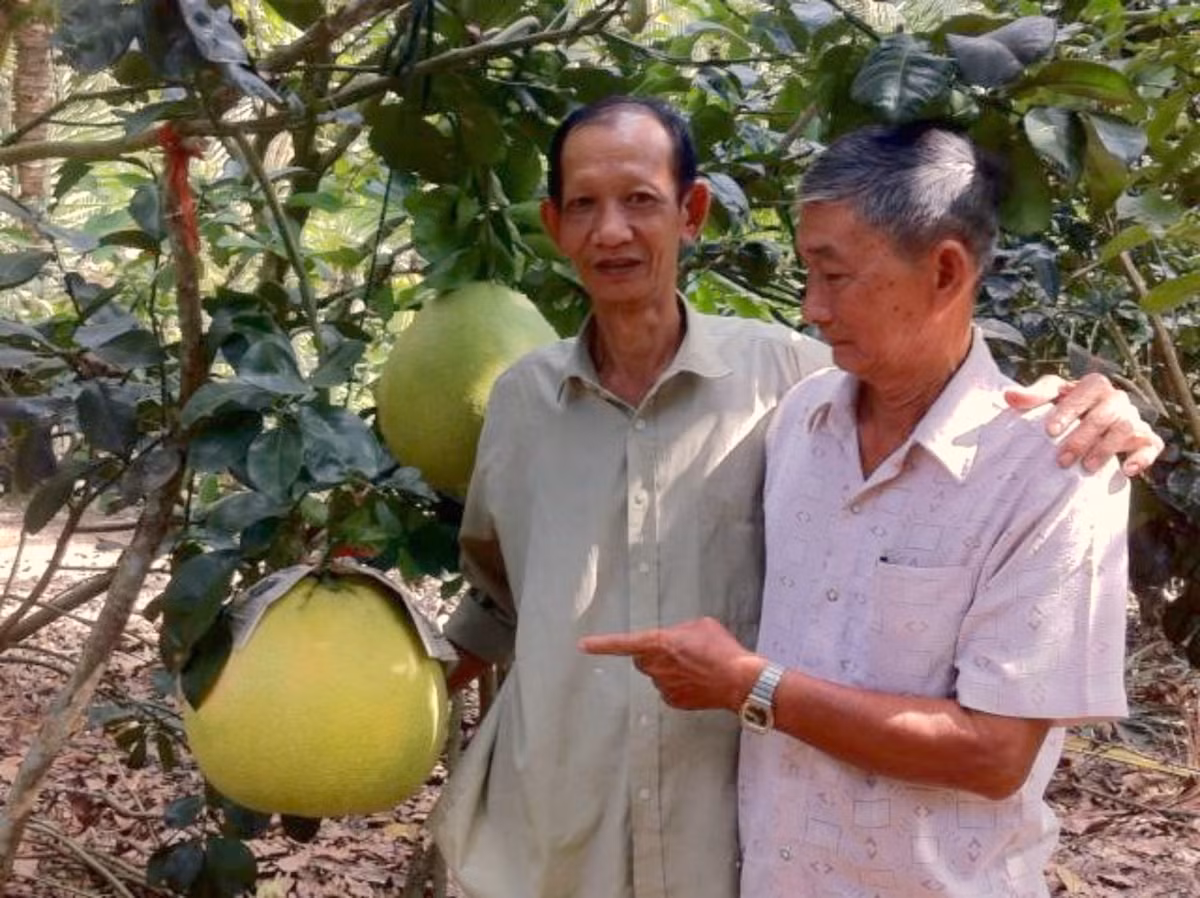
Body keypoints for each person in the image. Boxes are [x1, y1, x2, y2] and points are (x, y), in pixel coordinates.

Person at [431, 98, 1159, 898]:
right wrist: (389, 700)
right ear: (553, 224)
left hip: (732, 854)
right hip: (562, 843)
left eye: (640, 200)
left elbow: (944, 392)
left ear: (692, 212)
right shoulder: (538, 404)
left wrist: (1103, 409)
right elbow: (500, 596)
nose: (611, 232)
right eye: (583, 206)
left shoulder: (787, 387)